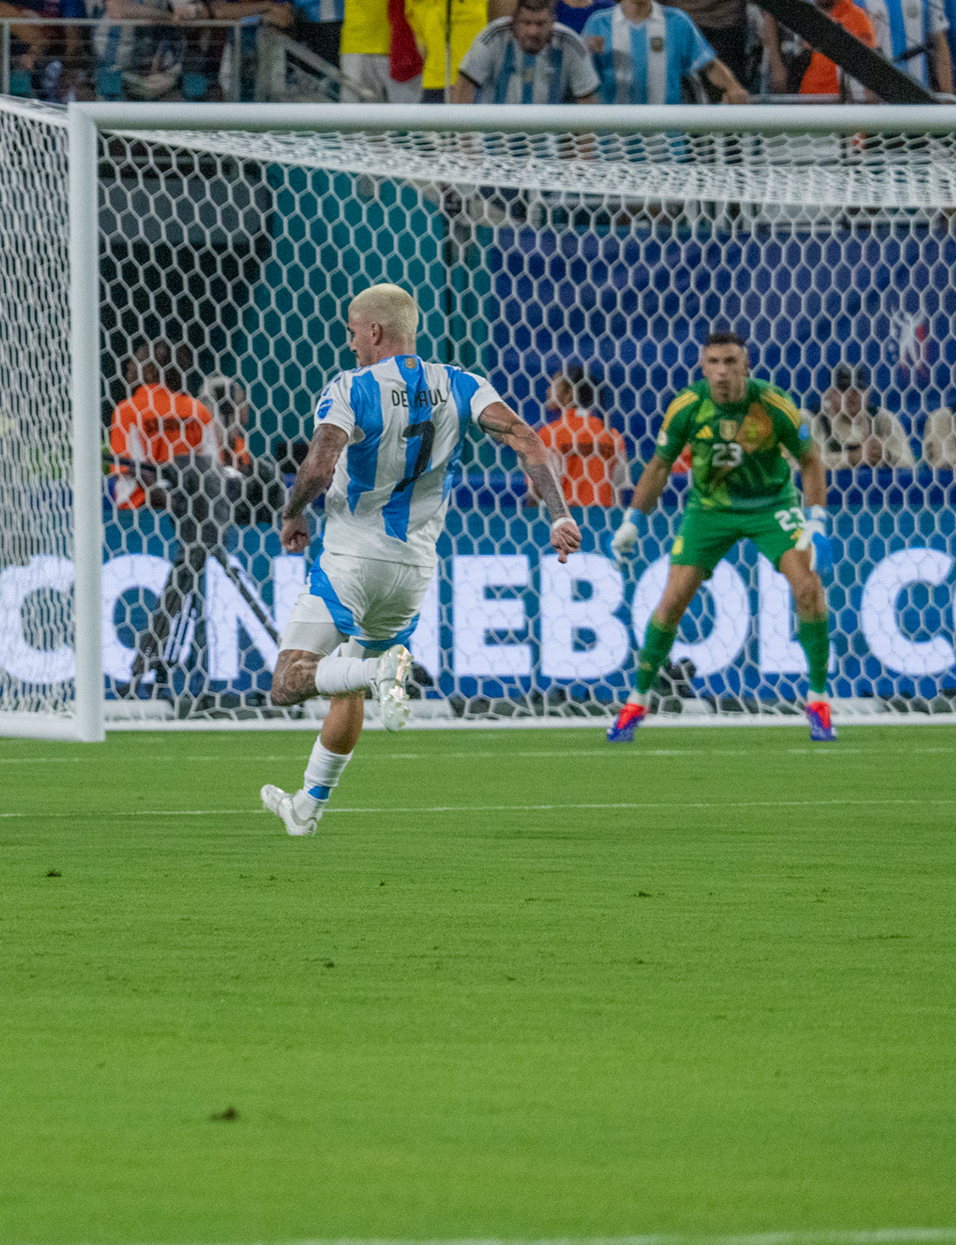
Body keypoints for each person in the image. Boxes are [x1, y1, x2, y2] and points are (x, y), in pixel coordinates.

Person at [262, 282, 580, 837]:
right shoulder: (461, 384)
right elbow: (527, 438)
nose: (352, 342)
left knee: (289, 682)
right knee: (349, 684)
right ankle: (308, 805)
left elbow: (317, 466)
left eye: (354, 331)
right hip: (413, 571)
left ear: (376, 331)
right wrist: (557, 514)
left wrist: (292, 513)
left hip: (352, 560)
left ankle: (380, 672)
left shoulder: (350, 387)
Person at [608, 330, 835, 743]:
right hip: (709, 509)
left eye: (731, 362)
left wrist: (816, 519)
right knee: (673, 599)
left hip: (772, 506)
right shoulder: (688, 406)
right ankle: (636, 701)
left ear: (746, 365)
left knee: (808, 589)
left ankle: (818, 699)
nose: (722, 372)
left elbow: (810, 458)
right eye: (713, 363)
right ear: (702, 367)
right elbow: (659, 465)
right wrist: (633, 520)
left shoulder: (772, 404)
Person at [581, 0, 749, 104]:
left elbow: (709, 64)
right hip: (614, 133)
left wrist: (733, 86)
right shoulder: (598, 23)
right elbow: (581, 74)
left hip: (666, 133)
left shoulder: (677, 22)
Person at [452, 0, 601, 104]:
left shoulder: (571, 43)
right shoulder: (493, 36)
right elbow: (464, 84)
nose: (533, 31)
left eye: (540, 24)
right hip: (494, 140)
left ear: (552, 22)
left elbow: (588, 101)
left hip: (546, 141)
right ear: (514, 21)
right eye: (526, 23)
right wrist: (465, 143)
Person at [537, 365, 627, 511]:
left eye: (553, 385)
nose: (547, 391)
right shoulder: (612, 435)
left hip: (564, 524)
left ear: (569, 393)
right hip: (603, 522)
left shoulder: (547, 434)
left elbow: (536, 491)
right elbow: (618, 492)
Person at [807, 364, 916, 471]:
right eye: (844, 388)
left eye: (858, 388)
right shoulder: (813, 419)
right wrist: (852, 458)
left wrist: (885, 456)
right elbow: (798, 464)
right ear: (830, 393)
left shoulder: (881, 419)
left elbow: (909, 463)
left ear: (867, 393)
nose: (852, 394)